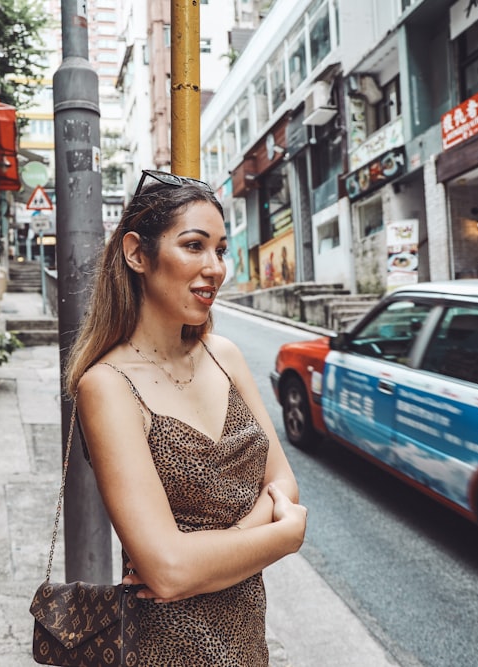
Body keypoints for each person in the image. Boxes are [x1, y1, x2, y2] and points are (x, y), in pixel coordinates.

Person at [63, 170, 307, 666]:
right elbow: (167, 570)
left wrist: (213, 558)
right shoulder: (108, 386)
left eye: (220, 249)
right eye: (194, 246)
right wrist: (281, 536)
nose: (214, 267)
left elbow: (284, 483)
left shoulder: (225, 355)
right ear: (137, 254)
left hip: (247, 643)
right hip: (165, 650)